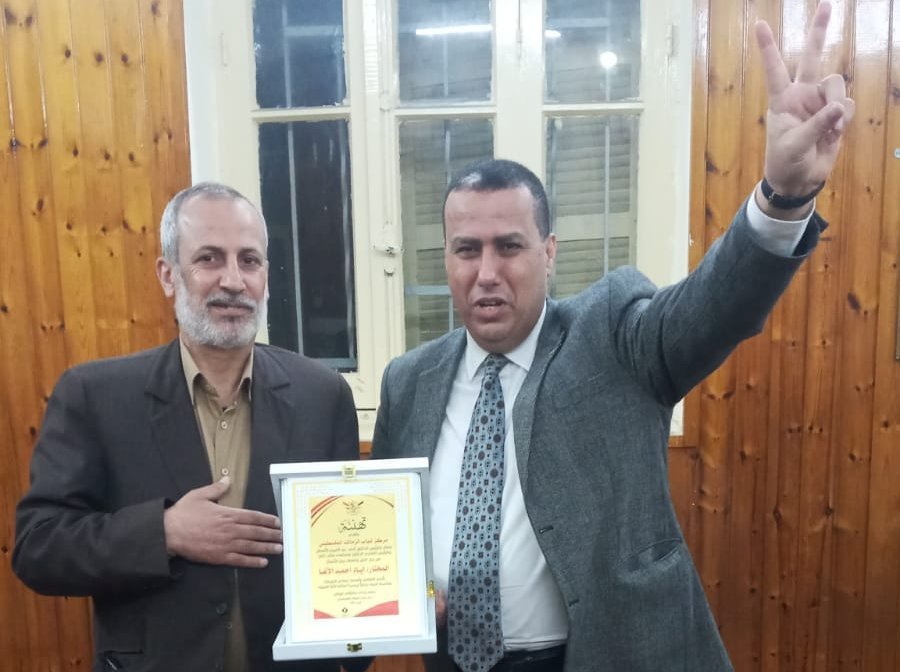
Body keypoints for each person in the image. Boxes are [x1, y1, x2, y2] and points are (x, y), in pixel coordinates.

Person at [371, 4, 854, 672]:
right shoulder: (408, 382)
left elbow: (713, 309)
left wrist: (782, 198)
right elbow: (390, 536)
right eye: (466, 249)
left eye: (509, 246)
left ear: (548, 253)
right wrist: (406, 590)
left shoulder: (612, 336)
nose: (486, 273)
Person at [13, 183, 368, 672]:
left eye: (249, 260)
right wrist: (164, 532)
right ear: (168, 275)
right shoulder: (94, 396)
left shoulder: (323, 396)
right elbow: (39, 547)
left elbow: (349, 546)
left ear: (266, 277)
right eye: (209, 258)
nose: (233, 281)